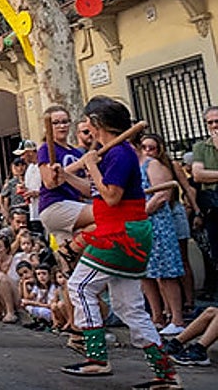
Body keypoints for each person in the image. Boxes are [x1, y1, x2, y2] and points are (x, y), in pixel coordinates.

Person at [57, 96, 180, 388]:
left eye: (87, 120)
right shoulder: (108, 153)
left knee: (79, 286)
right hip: (123, 232)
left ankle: (97, 359)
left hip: (120, 234)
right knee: (129, 307)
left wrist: (92, 165)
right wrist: (64, 175)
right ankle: (166, 375)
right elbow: (94, 192)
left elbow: (111, 196)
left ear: (98, 123)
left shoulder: (120, 154)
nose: (84, 125)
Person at [139, 132, 187, 336]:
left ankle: (176, 318)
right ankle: (157, 316)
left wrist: (143, 211)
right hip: (141, 225)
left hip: (157, 223)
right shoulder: (132, 166)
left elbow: (163, 195)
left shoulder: (153, 165)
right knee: (146, 273)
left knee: (165, 273)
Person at [37, 106, 91, 261]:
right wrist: (79, 164)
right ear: (48, 126)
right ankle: (70, 249)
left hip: (73, 206)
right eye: (56, 123)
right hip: (55, 205)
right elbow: (49, 182)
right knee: (104, 215)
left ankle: (69, 252)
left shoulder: (75, 153)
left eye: (65, 122)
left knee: (75, 267)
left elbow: (88, 190)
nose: (62, 126)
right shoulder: (46, 149)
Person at [191, 106, 218, 273]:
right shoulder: (200, 147)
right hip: (214, 204)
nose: (215, 126)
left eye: (217, 121)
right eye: (210, 122)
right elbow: (198, 175)